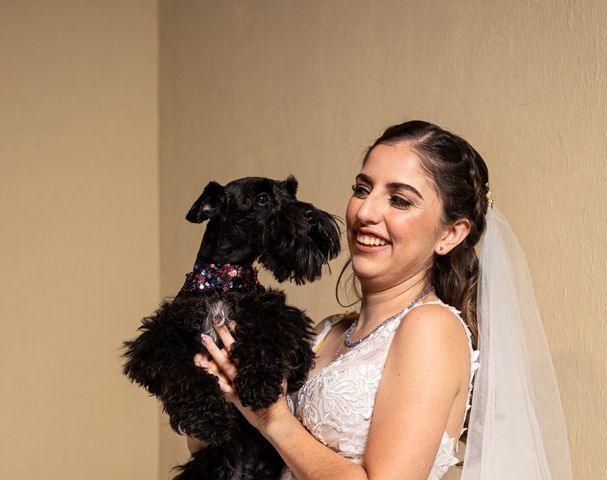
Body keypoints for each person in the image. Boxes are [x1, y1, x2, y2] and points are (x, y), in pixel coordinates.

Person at [191, 120, 573, 480]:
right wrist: (207, 388)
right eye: (362, 189)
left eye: (400, 201)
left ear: (451, 234)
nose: (366, 212)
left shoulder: (430, 329)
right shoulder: (326, 332)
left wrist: (273, 418)